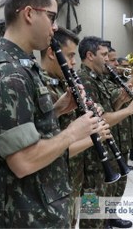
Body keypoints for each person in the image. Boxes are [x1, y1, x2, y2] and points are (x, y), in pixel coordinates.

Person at [0, 0, 104, 228]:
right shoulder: (9, 73)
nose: (55, 27)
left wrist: (57, 109)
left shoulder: (18, 64)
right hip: (26, 211)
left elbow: (23, 128)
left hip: (36, 202)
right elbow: (22, 162)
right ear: (30, 13)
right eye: (52, 17)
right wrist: (72, 132)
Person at [77, 36, 133, 228]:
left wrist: (122, 101)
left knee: (106, 201)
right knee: (91, 212)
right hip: (94, 156)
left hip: (108, 148)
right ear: (90, 56)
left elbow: (109, 109)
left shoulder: (99, 78)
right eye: (104, 55)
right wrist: (129, 109)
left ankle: (108, 220)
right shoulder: (83, 79)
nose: (108, 59)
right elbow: (99, 120)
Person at [40, 26, 86, 228]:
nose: (74, 62)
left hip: (74, 172)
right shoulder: (39, 87)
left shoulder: (63, 83)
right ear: (52, 53)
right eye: (70, 56)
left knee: (72, 220)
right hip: (52, 180)